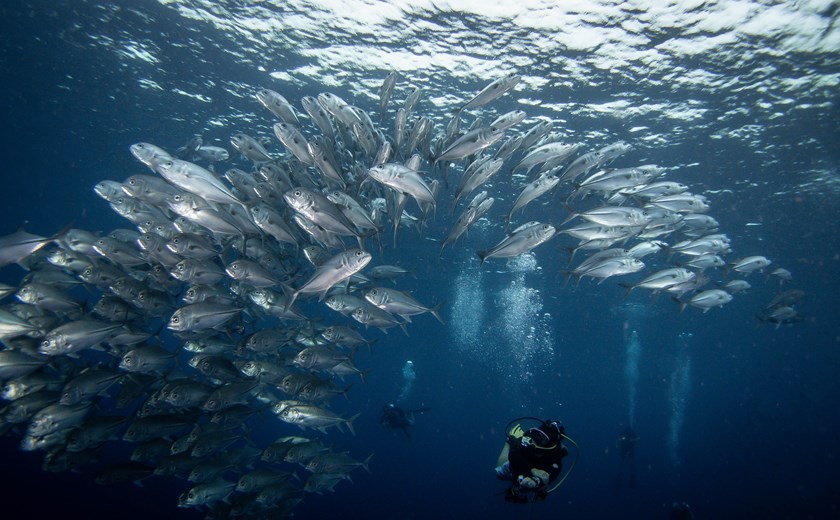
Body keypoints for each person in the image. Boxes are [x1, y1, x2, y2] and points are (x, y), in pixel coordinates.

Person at [495, 419, 569, 503]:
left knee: (528, 486)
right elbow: (514, 455)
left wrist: (536, 482)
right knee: (499, 473)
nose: (535, 439)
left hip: (534, 474)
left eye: (542, 439)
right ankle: (510, 440)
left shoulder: (555, 459)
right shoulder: (526, 441)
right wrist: (532, 470)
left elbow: (550, 476)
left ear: (550, 445)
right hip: (519, 464)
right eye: (536, 434)